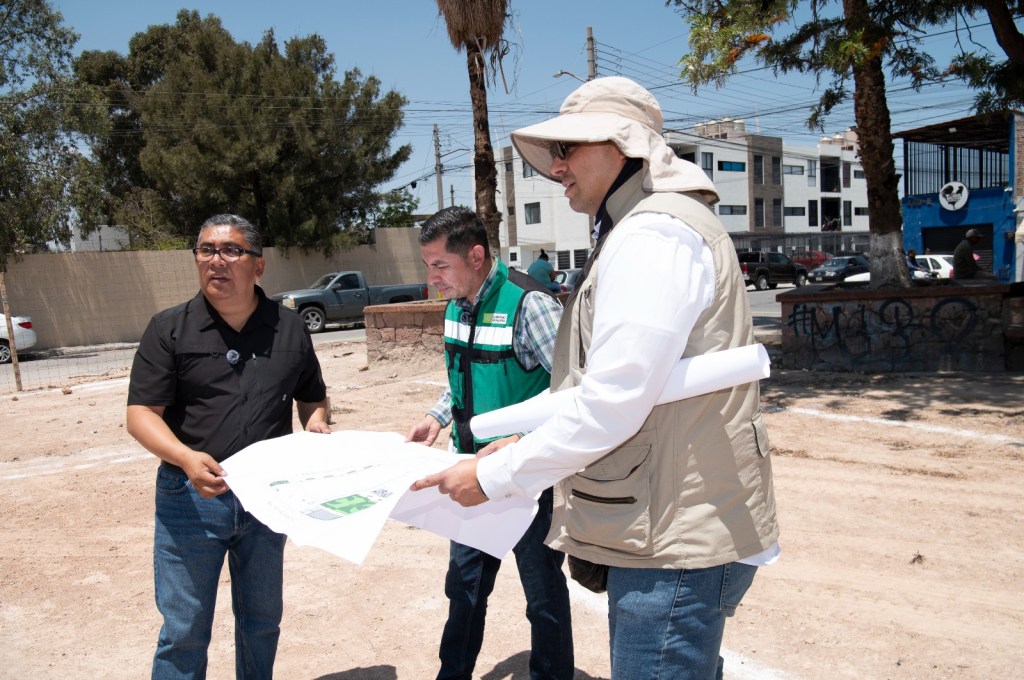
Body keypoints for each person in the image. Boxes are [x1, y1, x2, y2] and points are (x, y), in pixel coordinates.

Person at [411, 77, 780, 680]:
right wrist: (522, 446)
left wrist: (499, 473)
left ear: (623, 147)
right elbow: (610, 389)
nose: (556, 167)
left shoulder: (651, 234)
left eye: (569, 149)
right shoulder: (639, 229)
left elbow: (613, 402)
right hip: (668, 525)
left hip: (672, 539)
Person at [127, 214, 332, 679]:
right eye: (206, 250)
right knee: (184, 629)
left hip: (267, 499)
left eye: (230, 250)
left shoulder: (290, 329)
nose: (216, 260)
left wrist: (317, 422)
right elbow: (140, 415)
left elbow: (312, 395)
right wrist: (183, 457)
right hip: (191, 499)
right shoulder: (169, 329)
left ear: (258, 266)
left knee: (261, 623)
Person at [406, 206, 574, 680]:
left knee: (542, 595)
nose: (432, 278)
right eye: (428, 266)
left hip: (525, 478)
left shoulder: (531, 304)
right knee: (463, 587)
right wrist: (435, 417)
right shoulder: (456, 304)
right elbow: (464, 374)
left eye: (440, 265)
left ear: (476, 255)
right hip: (468, 475)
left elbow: (572, 392)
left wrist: (520, 439)